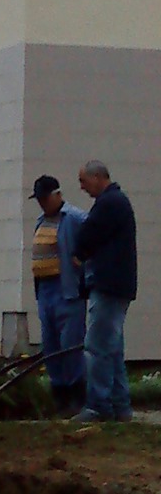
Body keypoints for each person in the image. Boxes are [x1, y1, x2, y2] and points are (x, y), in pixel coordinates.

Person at [72, 160, 138, 424]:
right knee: (112, 349)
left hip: (108, 286)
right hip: (119, 286)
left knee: (97, 346)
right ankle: (120, 406)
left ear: (98, 177)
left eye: (84, 181)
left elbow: (88, 234)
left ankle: (98, 406)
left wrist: (79, 254)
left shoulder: (109, 204)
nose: (82, 187)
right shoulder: (118, 202)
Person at [29, 174, 87, 415]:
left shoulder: (74, 218)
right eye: (39, 200)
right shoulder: (41, 221)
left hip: (67, 288)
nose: (42, 203)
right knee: (51, 343)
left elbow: (91, 245)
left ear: (57, 195)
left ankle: (76, 397)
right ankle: (59, 395)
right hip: (45, 289)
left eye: (45, 198)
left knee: (70, 345)